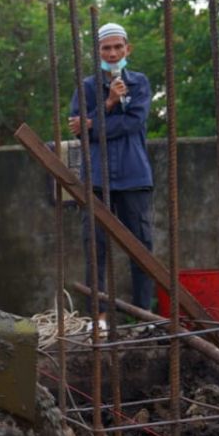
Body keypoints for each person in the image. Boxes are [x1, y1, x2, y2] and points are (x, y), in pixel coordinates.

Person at [68, 22, 154, 328]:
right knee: (95, 247)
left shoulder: (140, 83)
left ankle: (143, 316)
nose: (113, 53)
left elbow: (133, 123)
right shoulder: (87, 88)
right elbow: (78, 131)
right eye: (107, 47)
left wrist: (92, 123)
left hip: (133, 175)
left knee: (141, 248)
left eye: (118, 47)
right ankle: (99, 318)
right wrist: (109, 103)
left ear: (127, 49)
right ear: (98, 52)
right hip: (97, 178)